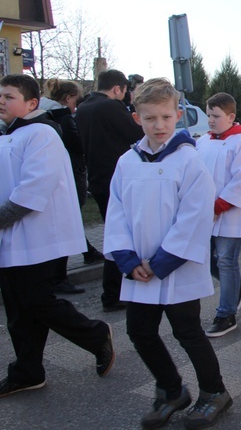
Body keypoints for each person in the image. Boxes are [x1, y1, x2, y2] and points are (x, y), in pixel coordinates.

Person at [104, 78, 232, 429]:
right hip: (139, 268)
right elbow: (115, 212)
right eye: (149, 118)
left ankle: (214, 391)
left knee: (187, 332)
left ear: (178, 115)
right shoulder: (127, 161)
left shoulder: (189, 161)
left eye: (165, 117)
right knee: (139, 332)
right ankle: (171, 388)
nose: (158, 126)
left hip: (174, 267)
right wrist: (127, 260)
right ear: (137, 118)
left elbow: (195, 216)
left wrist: (161, 263)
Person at [0, 74, 114, 398]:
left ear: (31, 103)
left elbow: (33, 190)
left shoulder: (42, 134)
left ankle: (95, 334)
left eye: (9, 96)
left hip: (39, 238)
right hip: (10, 240)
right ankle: (27, 371)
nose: (1, 101)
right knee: (18, 307)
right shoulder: (6, 136)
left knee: (37, 300)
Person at [75, 69, 144, 312]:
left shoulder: (83, 108)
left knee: (113, 233)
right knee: (121, 236)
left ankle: (114, 293)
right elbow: (138, 132)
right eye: (125, 91)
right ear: (117, 89)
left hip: (97, 177)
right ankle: (113, 294)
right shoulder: (110, 107)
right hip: (118, 179)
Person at [197, 92, 241, 337]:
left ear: (231, 116)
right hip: (205, 212)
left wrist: (218, 206)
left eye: (216, 116)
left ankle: (226, 314)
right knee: (204, 259)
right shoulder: (203, 141)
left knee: (225, 260)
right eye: (208, 115)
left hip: (229, 212)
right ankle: (236, 285)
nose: (210, 120)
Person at [39, 78, 103, 295]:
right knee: (65, 221)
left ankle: (86, 252)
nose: (76, 106)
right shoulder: (63, 118)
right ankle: (59, 277)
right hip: (69, 173)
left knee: (65, 222)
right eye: (75, 101)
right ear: (67, 99)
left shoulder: (46, 115)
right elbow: (77, 145)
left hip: (64, 174)